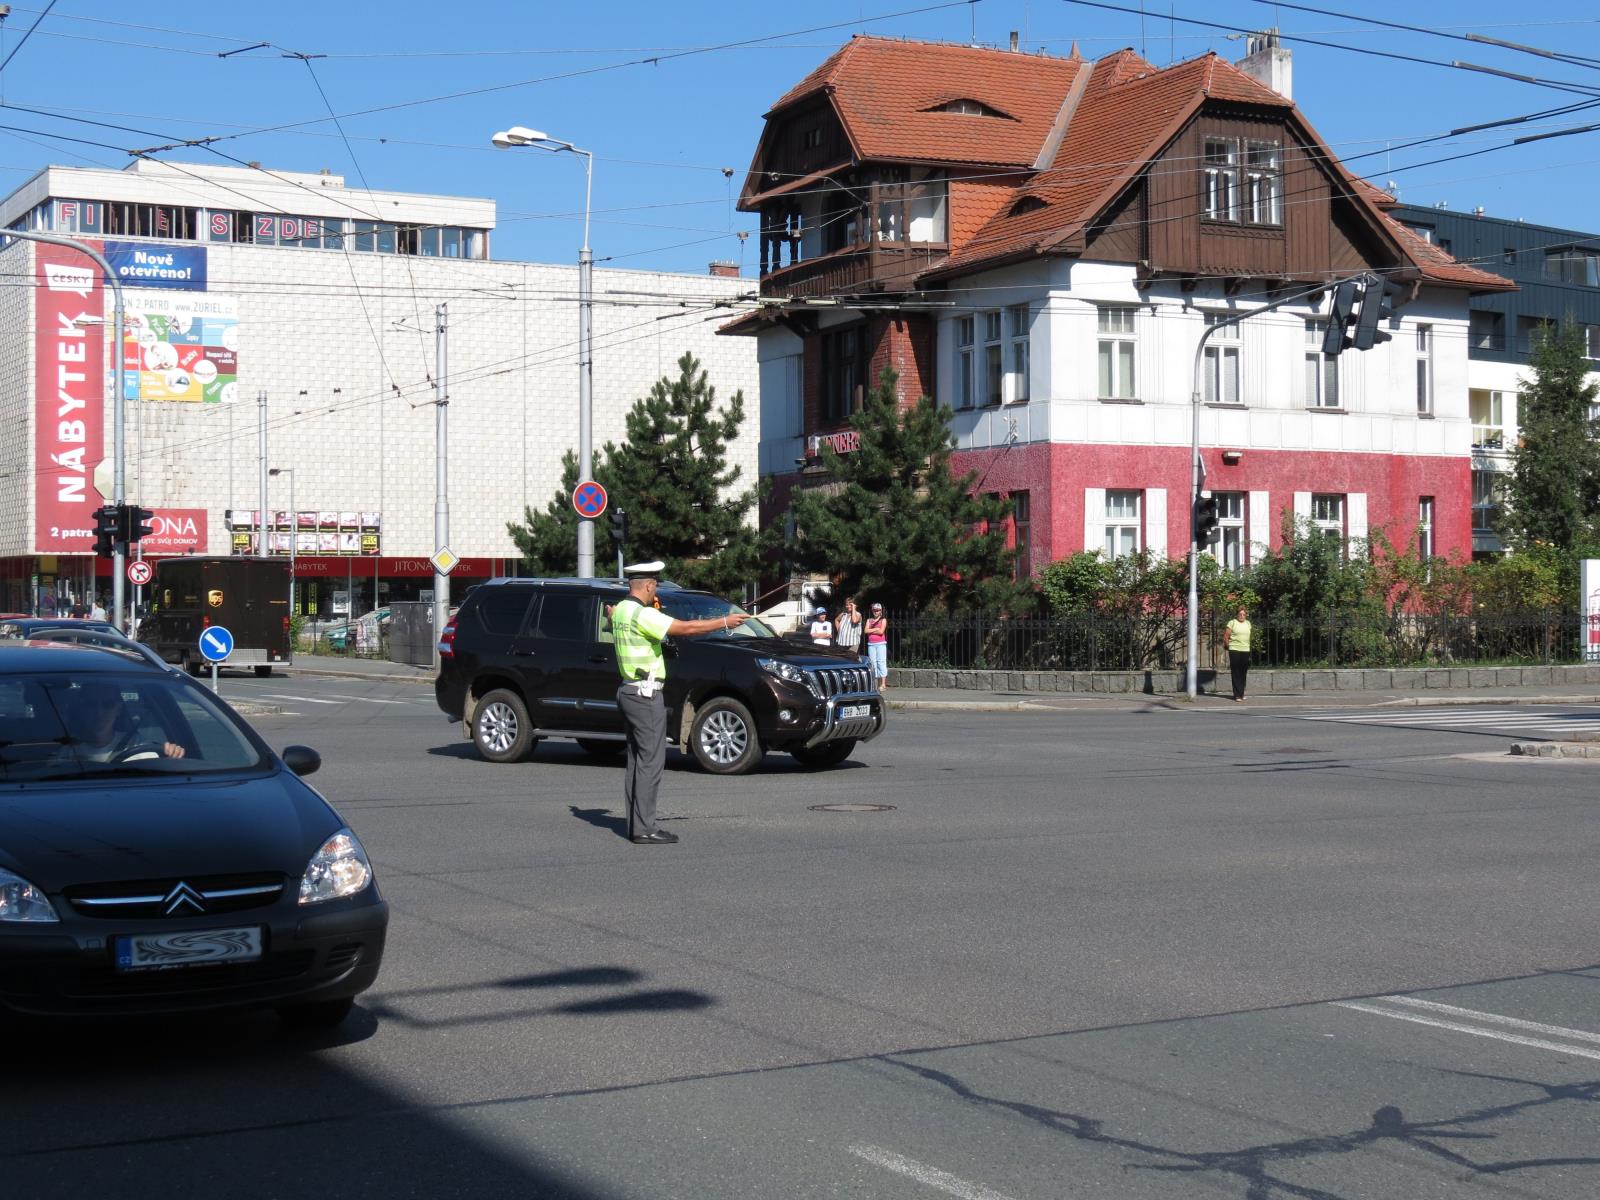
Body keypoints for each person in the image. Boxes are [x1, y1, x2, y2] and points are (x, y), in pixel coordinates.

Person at [608, 561, 746, 846]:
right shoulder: (643, 615)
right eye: (655, 585)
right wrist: (723, 622)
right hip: (645, 694)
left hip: (628, 690)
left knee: (636, 761)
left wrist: (612, 615)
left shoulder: (621, 609)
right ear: (647, 585)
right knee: (651, 762)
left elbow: (611, 618)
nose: (655, 589)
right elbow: (686, 627)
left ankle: (636, 823)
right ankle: (644, 828)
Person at [61, 682, 186, 763]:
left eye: (107, 705)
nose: (99, 712)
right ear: (82, 708)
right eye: (91, 704)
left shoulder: (137, 745)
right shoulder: (67, 750)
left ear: (119, 709)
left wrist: (172, 755)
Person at [1225, 605, 1253, 702]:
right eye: (1240, 614)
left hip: (1245, 650)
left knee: (1243, 672)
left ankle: (1241, 693)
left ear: (1246, 615)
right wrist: (1228, 646)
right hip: (1234, 650)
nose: (1242, 616)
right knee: (1236, 672)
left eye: (1243, 614)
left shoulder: (1248, 624)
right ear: (1237, 614)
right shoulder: (1232, 623)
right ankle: (1237, 695)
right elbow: (1226, 636)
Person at [864, 602, 889, 692]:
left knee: (881, 662)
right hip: (871, 644)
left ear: (881, 611)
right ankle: (875, 683)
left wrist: (871, 630)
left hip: (880, 644)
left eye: (878, 610)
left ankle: (883, 683)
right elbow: (866, 631)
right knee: (873, 663)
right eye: (874, 610)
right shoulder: (869, 620)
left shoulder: (883, 620)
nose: (876, 612)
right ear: (872, 610)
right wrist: (875, 629)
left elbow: (881, 632)